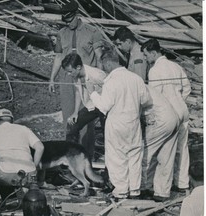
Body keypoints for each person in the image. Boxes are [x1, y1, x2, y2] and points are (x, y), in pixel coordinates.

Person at [86, 51, 152, 200]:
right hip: (133, 123)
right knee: (134, 156)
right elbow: (146, 100)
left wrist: (92, 93)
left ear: (108, 62)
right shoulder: (136, 78)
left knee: (117, 158)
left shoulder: (111, 81)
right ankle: (135, 190)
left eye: (103, 64)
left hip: (116, 124)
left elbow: (104, 106)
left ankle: (121, 191)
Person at [48, 0, 104, 142]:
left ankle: (85, 154)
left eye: (70, 20)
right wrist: (52, 78)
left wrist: (99, 82)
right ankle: (70, 152)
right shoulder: (62, 33)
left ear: (76, 15)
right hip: (67, 79)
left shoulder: (92, 32)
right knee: (68, 117)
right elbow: (59, 56)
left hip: (86, 79)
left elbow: (99, 58)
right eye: (65, 21)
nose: (68, 24)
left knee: (85, 117)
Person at [141, 39, 191, 195]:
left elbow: (155, 95)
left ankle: (156, 186)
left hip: (169, 111)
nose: (145, 58)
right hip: (182, 108)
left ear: (154, 53)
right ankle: (182, 183)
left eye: (146, 55)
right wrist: (180, 100)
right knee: (182, 148)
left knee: (165, 151)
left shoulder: (155, 70)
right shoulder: (175, 66)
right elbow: (187, 87)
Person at [61, 52, 107, 161]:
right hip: (92, 105)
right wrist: (75, 112)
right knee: (72, 124)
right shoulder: (76, 75)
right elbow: (78, 92)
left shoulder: (97, 75)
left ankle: (110, 165)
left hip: (105, 105)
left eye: (70, 71)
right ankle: (72, 158)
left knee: (108, 135)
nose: (68, 74)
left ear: (78, 67)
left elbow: (112, 89)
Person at [140, 86, 180, 202]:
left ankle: (141, 188)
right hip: (173, 117)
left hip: (160, 120)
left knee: (143, 154)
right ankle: (162, 192)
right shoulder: (142, 85)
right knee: (166, 157)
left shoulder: (134, 87)